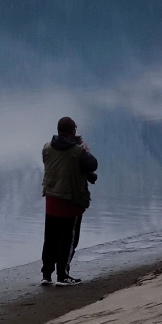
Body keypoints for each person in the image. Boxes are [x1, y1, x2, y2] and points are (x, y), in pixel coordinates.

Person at [41, 115, 98, 285]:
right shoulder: (78, 152)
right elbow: (93, 165)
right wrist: (85, 151)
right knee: (69, 239)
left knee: (50, 239)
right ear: (73, 131)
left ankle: (46, 275)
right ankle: (62, 275)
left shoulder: (47, 148)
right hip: (70, 202)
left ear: (58, 131)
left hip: (51, 199)